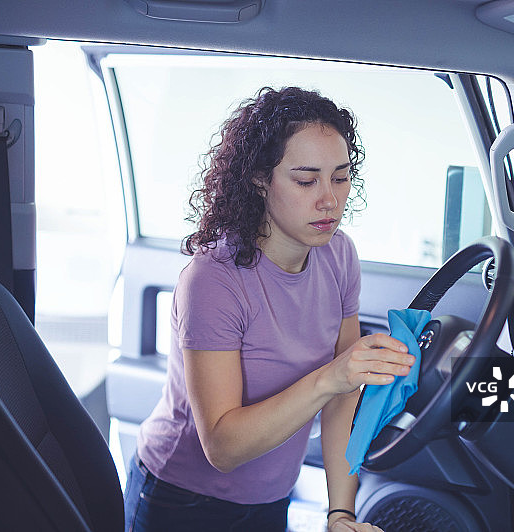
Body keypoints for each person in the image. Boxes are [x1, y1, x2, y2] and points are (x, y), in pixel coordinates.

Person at [124, 86, 415, 532]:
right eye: (306, 180)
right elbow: (222, 447)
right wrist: (332, 375)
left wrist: (340, 512)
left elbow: (342, 398)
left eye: (340, 177)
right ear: (260, 178)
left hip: (272, 498)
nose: (330, 200)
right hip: (181, 501)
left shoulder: (339, 256)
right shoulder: (213, 280)